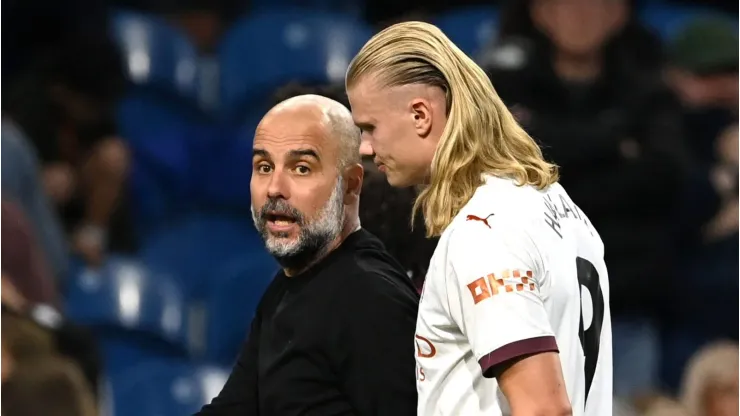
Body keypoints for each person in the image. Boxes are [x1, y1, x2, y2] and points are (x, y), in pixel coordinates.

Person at [346, 21, 612, 415]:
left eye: (370, 128)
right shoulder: (557, 204)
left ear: (421, 115)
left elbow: (542, 408)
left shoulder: (484, 232)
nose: (365, 148)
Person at [197, 94, 419, 415]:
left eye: (301, 168)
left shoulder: (371, 298)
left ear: (351, 185)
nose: (274, 188)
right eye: (264, 166)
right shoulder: (286, 289)